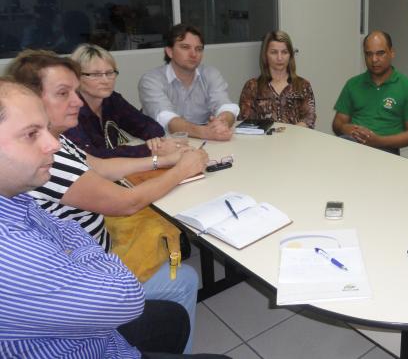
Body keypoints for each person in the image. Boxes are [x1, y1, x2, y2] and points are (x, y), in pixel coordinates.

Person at [0, 78, 226, 359]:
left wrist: (161, 160)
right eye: (31, 133)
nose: (77, 100)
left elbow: (102, 167)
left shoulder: (17, 194)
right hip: (93, 334)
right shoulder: (12, 243)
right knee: (183, 281)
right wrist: (178, 170)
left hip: (94, 314)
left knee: (173, 318)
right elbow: (125, 295)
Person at [64, 43, 180, 158]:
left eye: (109, 73)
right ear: (77, 77)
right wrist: (148, 149)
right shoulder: (69, 110)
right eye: (96, 74)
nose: (105, 80)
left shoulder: (112, 100)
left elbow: (149, 126)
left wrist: (156, 143)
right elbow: (91, 155)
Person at [139, 24, 240, 140]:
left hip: (207, 141)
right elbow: (168, 120)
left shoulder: (211, 74)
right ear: (169, 52)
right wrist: (205, 132)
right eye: (185, 47)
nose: (193, 54)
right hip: (164, 143)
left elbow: (226, 106)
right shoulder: (151, 80)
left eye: (198, 49)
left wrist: (223, 122)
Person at [332, 30, 408, 154]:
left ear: (392, 53)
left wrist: (379, 141)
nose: (374, 59)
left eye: (380, 53)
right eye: (368, 54)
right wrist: (344, 128)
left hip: (386, 149)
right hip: (352, 143)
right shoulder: (353, 84)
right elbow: (337, 123)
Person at [238, 30, 316, 128]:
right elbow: (246, 122)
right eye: (274, 52)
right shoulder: (252, 86)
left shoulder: (303, 85)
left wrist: (289, 135)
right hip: (263, 141)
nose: (279, 58)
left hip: (296, 140)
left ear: (290, 55)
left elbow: (309, 119)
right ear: (265, 55)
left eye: (284, 52)